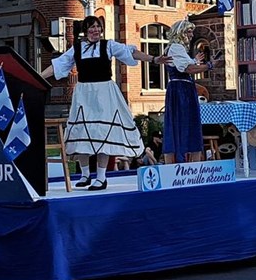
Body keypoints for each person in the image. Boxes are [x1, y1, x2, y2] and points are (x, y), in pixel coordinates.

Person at [42, 14, 166, 190]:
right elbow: (58, 65)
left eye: (98, 27)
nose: (96, 30)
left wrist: (153, 59)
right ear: (85, 31)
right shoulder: (77, 48)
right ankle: (85, 174)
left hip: (104, 93)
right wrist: (37, 76)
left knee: (103, 134)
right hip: (84, 93)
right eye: (92, 27)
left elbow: (130, 52)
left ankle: (101, 177)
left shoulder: (108, 45)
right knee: (81, 132)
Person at [160, 19, 215, 163]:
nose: (191, 35)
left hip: (182, 89)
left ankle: (183, 162)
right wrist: (208, 65)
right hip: (181, 90)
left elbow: (186, 64)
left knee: (182, 125)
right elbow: (188, 69)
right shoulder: (176, 48)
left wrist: (194, 60)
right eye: (188, 31)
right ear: (180, 33)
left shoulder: (178, 49)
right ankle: (186, 164)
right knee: (185, 124)